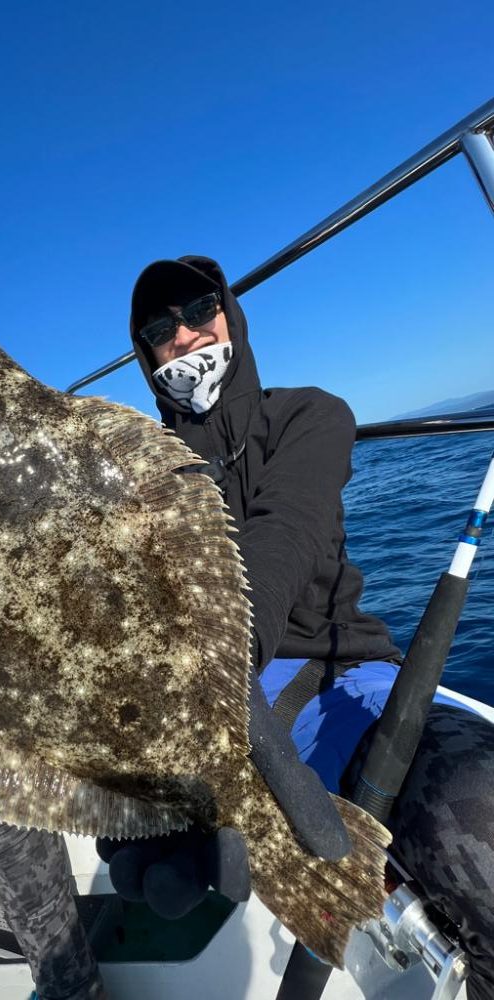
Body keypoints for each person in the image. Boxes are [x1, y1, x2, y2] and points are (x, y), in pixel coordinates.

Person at [101, 254, 494, 1000]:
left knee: (479, 805)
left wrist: (223, 661)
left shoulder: (311, 415)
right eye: (159, 329)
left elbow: (286, 531)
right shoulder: (135, 485)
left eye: (197, 310)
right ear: (146, 354)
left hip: (346, 674)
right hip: (220, 705)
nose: (183, 334)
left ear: (230, 313)